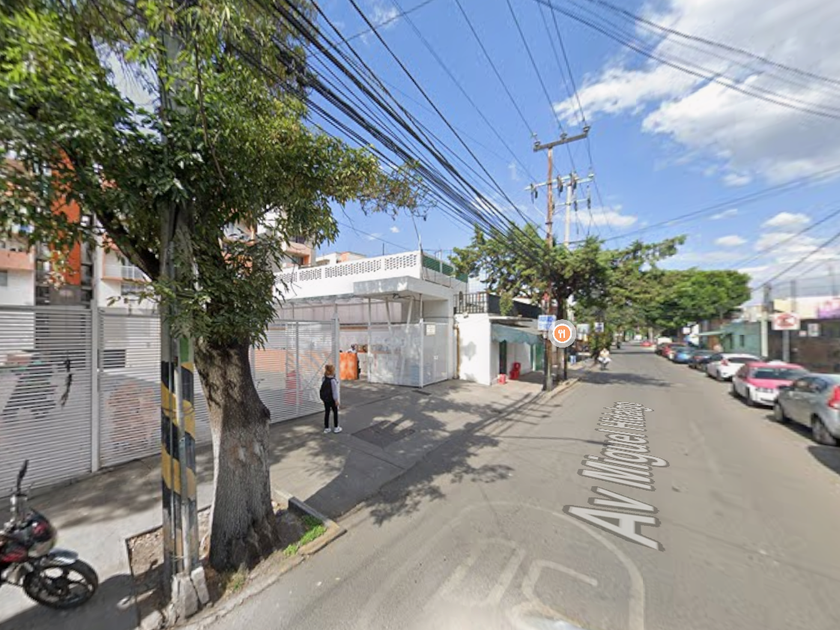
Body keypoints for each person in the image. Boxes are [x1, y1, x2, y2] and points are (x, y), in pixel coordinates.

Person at [319, 364, 341, 433]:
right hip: (332, 399)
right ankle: (336, 427)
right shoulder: (333, 380)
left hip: (326, 399)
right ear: (332, 371)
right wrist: (336, 400)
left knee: (327, 413)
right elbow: (334, 391)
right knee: (335, 413)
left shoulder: (324, 378)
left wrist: (323, 399)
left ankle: (327, 428)